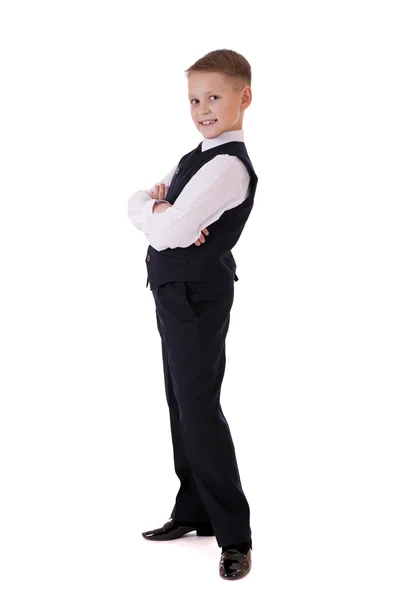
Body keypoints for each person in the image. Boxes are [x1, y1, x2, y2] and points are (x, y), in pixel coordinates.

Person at [127, 48, 258, 580]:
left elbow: (175, 233)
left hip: (196, 296)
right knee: (180, 404)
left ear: (243, 97)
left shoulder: (227, 165)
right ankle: (194, 510)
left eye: (214, 97)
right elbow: (137, 203)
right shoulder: (192, 159)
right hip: (173, 292)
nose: (203, 108)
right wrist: (158, 209)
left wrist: (164, 217)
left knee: (199, 408)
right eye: (194, 99)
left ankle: (235, 535)